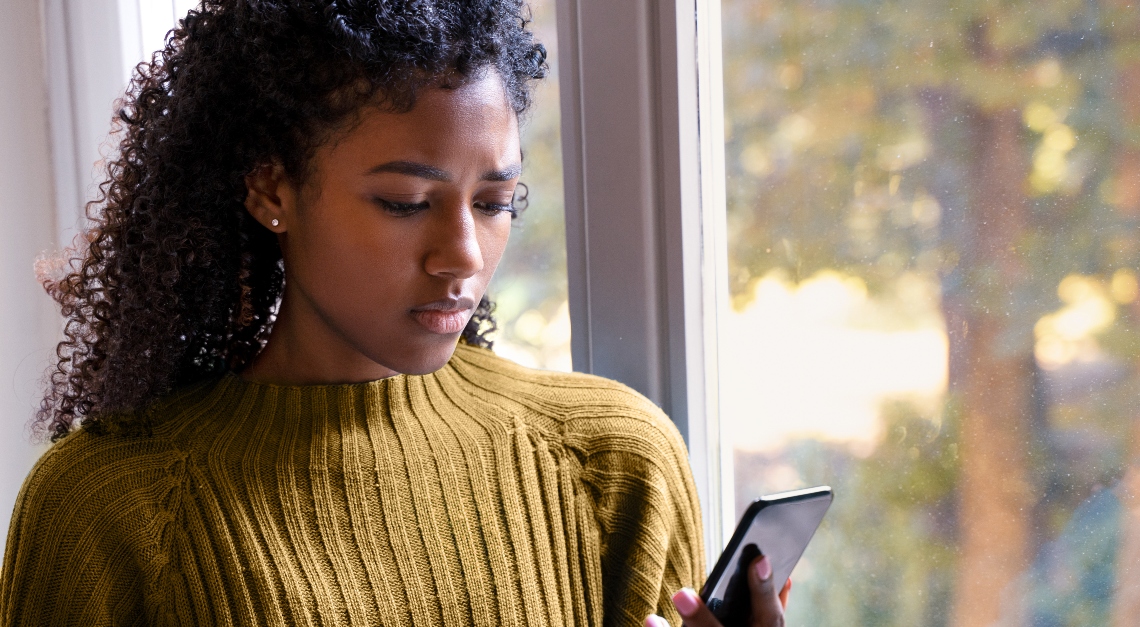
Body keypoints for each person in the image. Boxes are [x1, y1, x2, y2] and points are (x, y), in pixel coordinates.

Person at [0, 1, 789, 625]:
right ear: (271, 189)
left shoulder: (613, 465)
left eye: (494, 202)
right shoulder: (110, 507)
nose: (465, 255)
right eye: (406, 202)